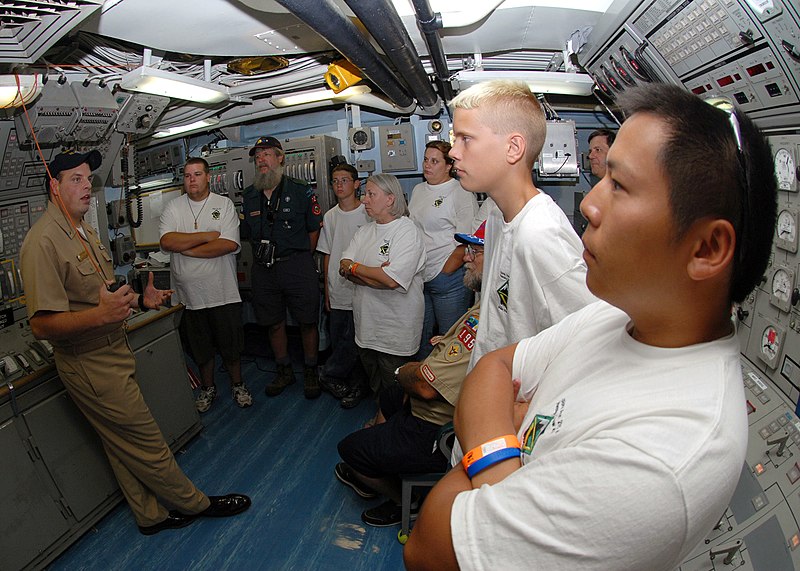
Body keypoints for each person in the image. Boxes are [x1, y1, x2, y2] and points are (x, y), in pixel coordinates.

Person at [404, 84, 778, 571]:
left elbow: (429, 548)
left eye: (619, 185)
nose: (587, 205)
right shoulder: (617, 313)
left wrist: (492, 463)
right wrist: (505, 464)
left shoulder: (659, 460)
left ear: (706, 249)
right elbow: (490, 368)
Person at [20, 150, 252, 536]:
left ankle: (150, 516)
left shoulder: (81, 230)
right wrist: (102, 316)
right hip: (90, 363)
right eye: (75, 180)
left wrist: (138, 301)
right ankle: (197, 503)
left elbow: (98, 295)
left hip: (109, 351)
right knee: (147, 440)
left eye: (88, 180)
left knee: (119, 444)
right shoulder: (43, 241)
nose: (86, 188)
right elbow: (42, 325)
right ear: (53, 186)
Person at [335, 221, 485, 527]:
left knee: (350, 449)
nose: (465, 257)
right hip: (441, 405)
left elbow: (426, 386)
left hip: (439, 425)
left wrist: (405, 370)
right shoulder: (484, 306)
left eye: (474, 251)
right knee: (390, 397)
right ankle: (383, 459)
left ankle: (406, 500)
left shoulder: (485, 317)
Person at [447, 80, 596, 371]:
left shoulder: (539, 234)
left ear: (513, 148)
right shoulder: (496, 217)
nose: (453, 152)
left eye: (466, 139)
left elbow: (590, 342)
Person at [159, 157, 252, 412]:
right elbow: (167, 242)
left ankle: (238, 384)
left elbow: (228, 244)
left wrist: (186, 248)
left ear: (208, 176)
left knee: (231, 345)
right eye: (188, 175)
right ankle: (208, 388)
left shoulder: (223, 206)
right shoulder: (173, 208)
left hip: (222, 293)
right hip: (189, 296)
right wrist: (206, 237)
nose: (192, 180)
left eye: (197, 174)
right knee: (201, 350)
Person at [240, 136, 324, 399]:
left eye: (267, 154)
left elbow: (314, 231)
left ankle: (311, 369)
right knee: (273, 323)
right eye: (258, 156)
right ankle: (284, 369)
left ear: (280, 158)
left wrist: (298, 258)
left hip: (297, 265)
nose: (261, 159)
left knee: (307, 321)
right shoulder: (250, 195)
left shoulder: (300, 190)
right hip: (264, 269)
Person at [339, 173, 426, 398]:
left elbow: (391, 280)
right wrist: (375, 273)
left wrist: (356, 269)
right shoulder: (364, 231)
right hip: (366, 327)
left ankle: (391, 428)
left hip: (394, 331)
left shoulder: (407, 231)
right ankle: (382, 422)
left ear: (390, 199)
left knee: (396, 390)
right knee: (376, 385)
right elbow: (343, 266)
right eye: (365, 193)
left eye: (371, 194)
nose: (364, 199)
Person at [408, 140, 478, 360]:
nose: (427, 165)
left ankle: (448, 390)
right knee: (423, 336)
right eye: (426, 160)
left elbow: (466, 239)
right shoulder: (419, 190)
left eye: (435, 161)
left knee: (449, 338)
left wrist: (445, 272)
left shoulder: (460, 191)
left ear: (449, 166)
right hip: (421, 275)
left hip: (448, 279)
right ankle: (422, 386)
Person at [316, 163, 371, 408]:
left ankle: (350, 381)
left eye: (345, 180)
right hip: (338, 289)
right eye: (335, 181)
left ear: (357, 184)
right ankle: (341, 380)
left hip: (364, 288)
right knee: (340, 339)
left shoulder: (368, 213)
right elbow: (327, 254)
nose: (339, 185)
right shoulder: (330, 216)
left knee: (359, 341)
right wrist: (327, 291)